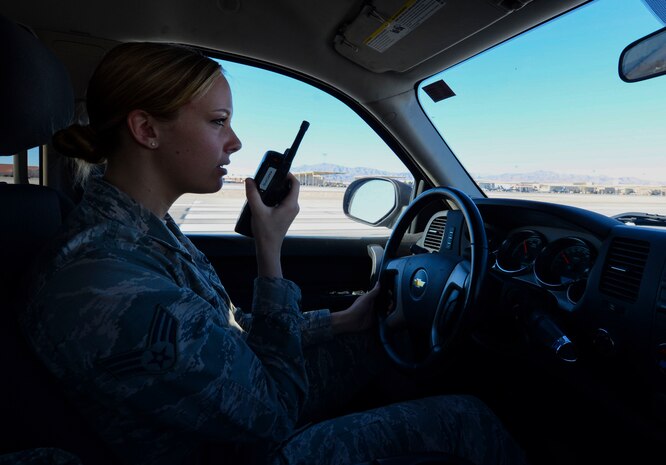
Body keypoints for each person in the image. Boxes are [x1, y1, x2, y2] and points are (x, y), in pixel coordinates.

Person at [21, 42, 527, 465]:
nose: (235, 142)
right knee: (465, 419)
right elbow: (275, 413)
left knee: (376, 341)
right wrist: (269, 250)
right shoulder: (110, 284)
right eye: (218, 121)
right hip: (232, 450)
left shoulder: (140, 231)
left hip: (219, 418)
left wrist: (343, 322)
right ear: (147, 130)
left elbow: (228, 334)